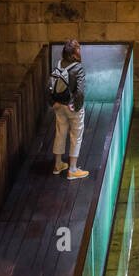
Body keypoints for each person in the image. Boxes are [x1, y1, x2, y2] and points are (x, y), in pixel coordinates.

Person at [50, 38, 89, 179]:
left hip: (59, 105)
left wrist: (53, 102)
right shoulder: (78, 68)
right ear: (74, 53)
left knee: (60, 133)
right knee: (76, 136)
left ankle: (58, 164)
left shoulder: (59, 64)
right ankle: (72, 169)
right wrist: (77, 106)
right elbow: (80, 91)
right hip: (72, 107)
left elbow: (51, 84)